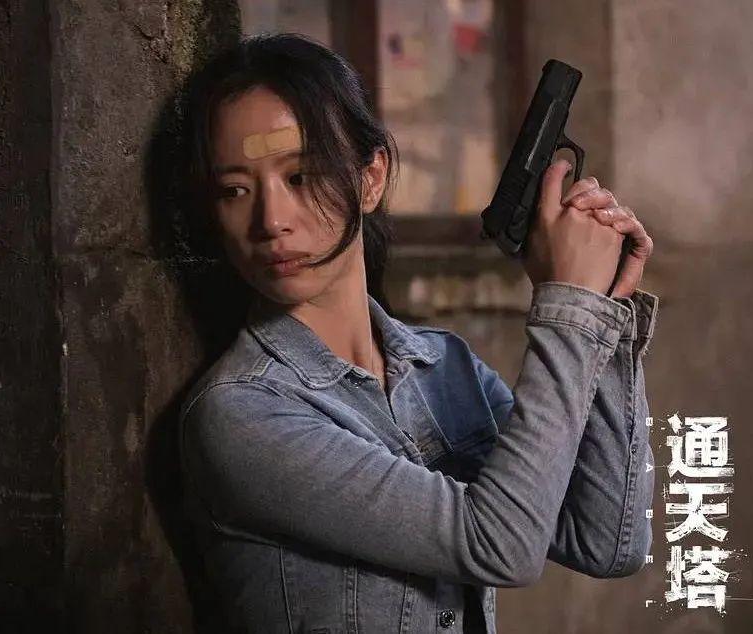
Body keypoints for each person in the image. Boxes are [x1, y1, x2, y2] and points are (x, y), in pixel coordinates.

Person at [176, 33, 658, 634]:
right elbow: (500, 545)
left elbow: (609, 540)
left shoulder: (444, 365)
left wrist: (603, 306)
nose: (271, 220)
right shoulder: (241, 414)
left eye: (300, 176)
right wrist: (570, 307)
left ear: (371, 178)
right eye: (235, 190)